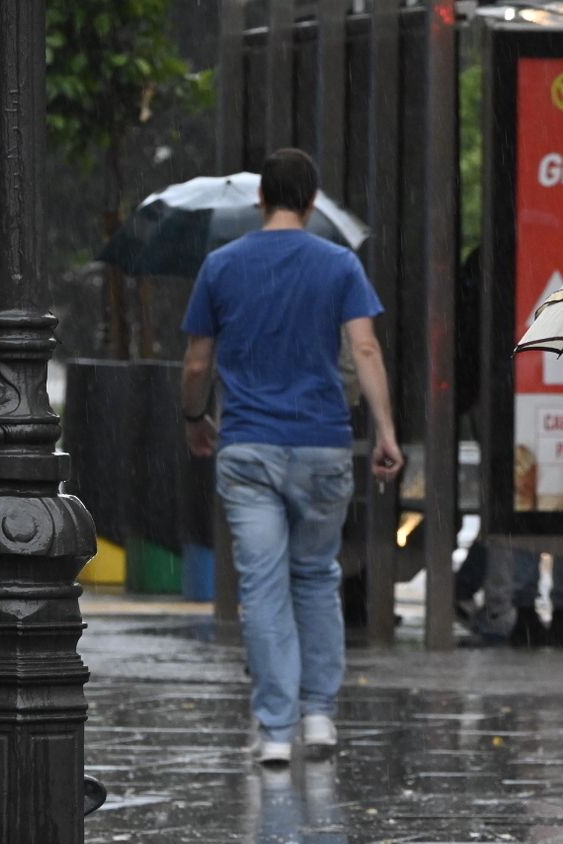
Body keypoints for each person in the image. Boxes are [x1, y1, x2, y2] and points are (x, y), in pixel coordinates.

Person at [181, 148, 403, 766]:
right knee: (316, 577)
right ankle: (319, 717)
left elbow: (198, 361)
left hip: (248, 445)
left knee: (264, 584)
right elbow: (365, 352)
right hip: (323, 445)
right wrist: (384, 431)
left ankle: (274, 728)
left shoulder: (221, 265)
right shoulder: (338, 265)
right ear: (312, 200)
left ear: (261, 199)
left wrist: (196, 417)